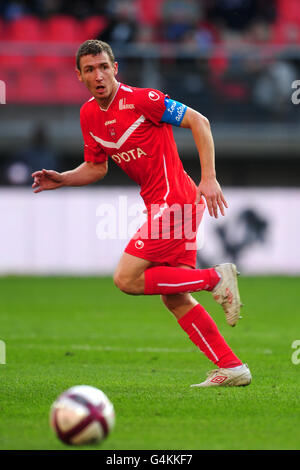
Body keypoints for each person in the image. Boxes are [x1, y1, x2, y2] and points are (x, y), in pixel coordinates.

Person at [32, 39, 251, 388]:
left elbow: (200, 121)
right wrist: (64, 178)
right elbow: (95, 167)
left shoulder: (142, 100)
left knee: (126, 279)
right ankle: (232, 367)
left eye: (104, 67)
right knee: (174, 295)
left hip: (176, 199)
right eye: (90, 69)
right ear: (79, 76)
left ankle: (215, 279)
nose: (98, 75)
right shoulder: (88, 114)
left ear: (115, 68)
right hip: (165, 204)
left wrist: (208, 177)